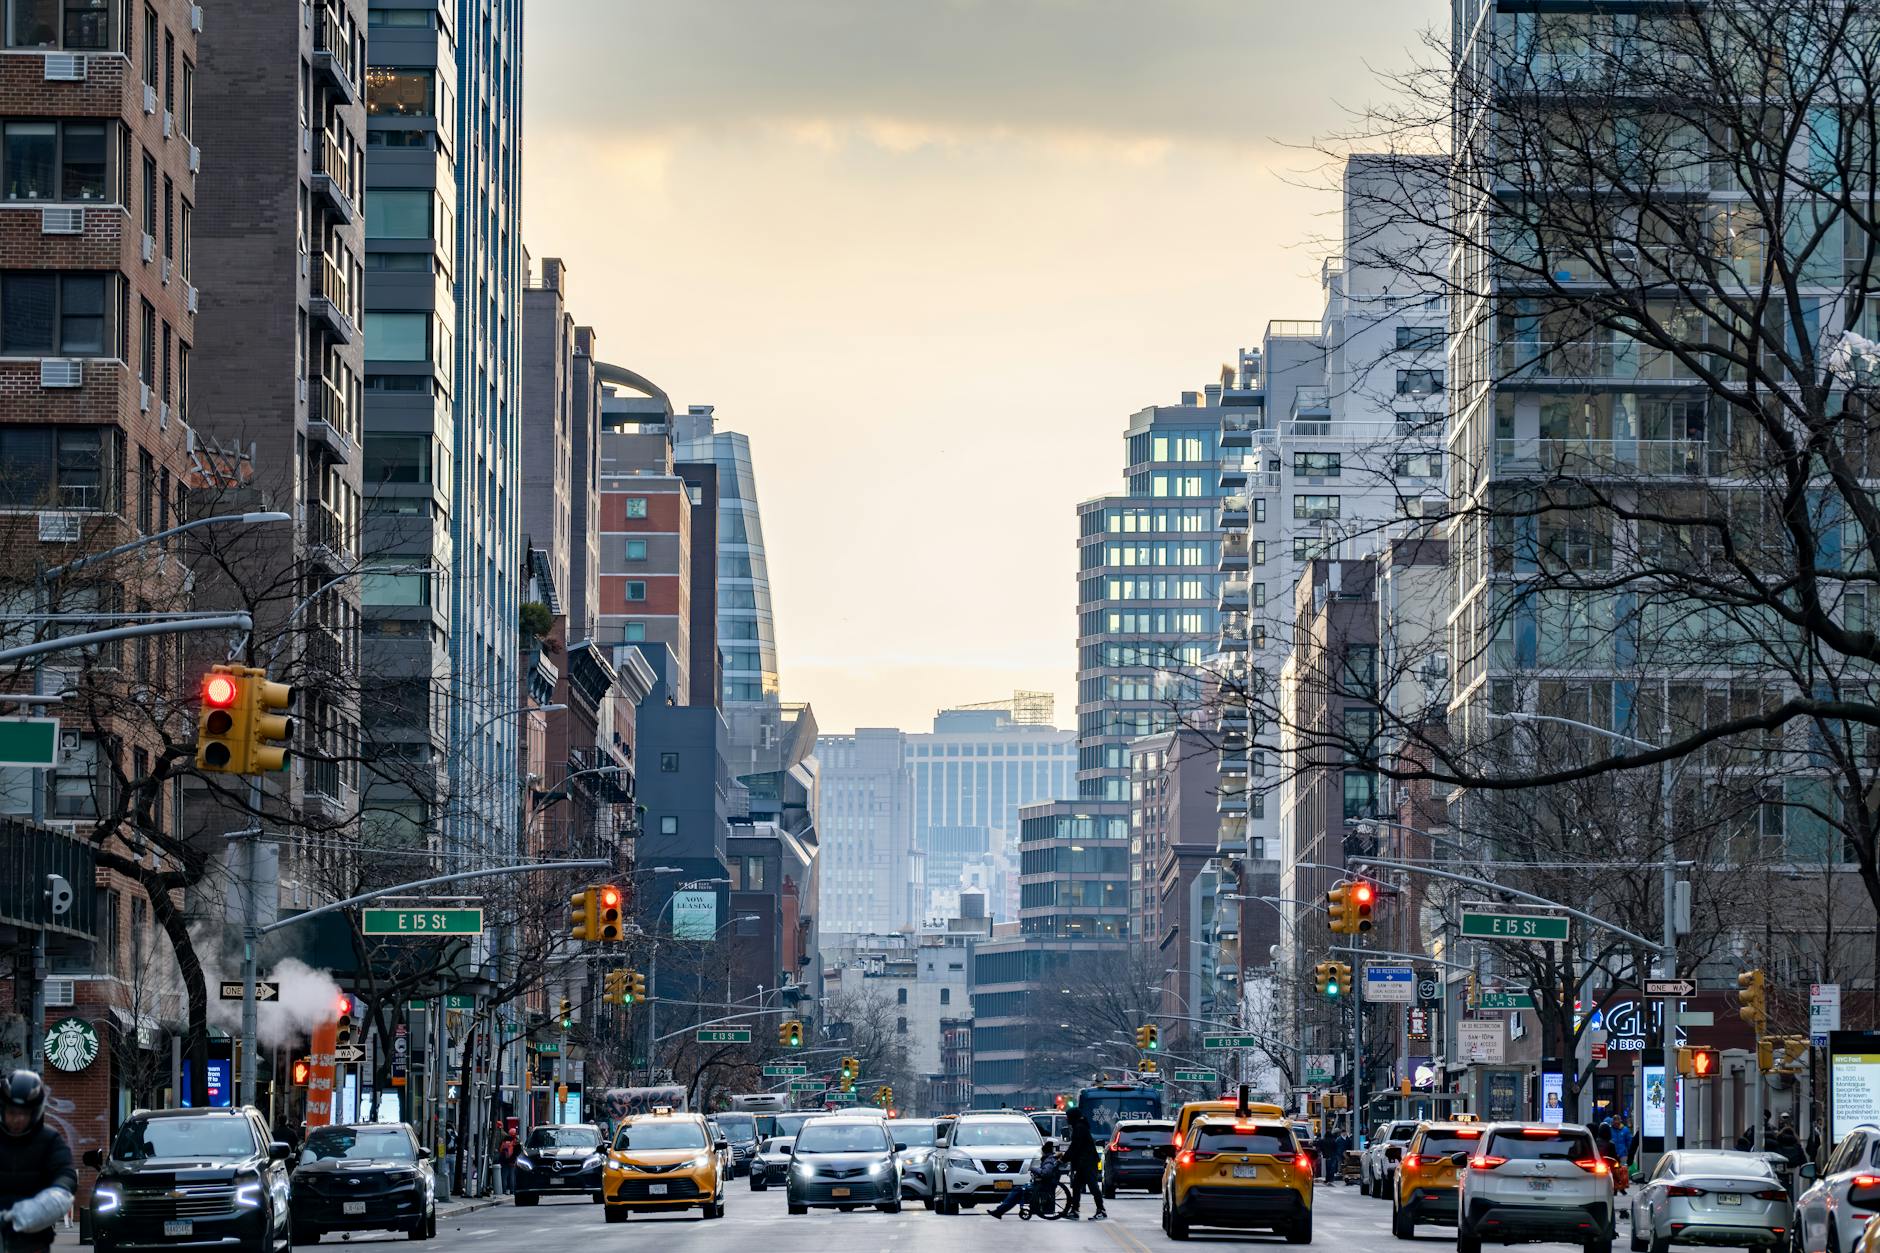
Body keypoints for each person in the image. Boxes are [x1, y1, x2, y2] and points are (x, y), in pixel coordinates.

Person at [0, 1070, 77, 1253]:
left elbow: (65, 1174)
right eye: (12, 1112)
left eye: (24, 1113)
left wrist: (57, 1192)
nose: (17, 1119)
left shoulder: (50, 1140)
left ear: (34, 1113)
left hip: (32, 1241)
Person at [988, 1139, 1062, 1219]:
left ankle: (999, 1211)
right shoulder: (1050, 1159)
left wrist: (1033, 1169)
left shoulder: (1049, 1160)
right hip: (1043, 1185)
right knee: (1018, 1191)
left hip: (1043, 1187)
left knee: (1017, 1191)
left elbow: (1045, 1173)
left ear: (1044, 1151)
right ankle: (999, 1211)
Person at [1063, 1108, 1106, 1219]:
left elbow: (1075, 1147)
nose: (1066, 1119)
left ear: (1073, 1117)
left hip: (1087, 1163)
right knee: (1077, 1187)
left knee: (1093, 1186)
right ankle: (1075, 1211)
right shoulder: (1079, 1126)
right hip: (1083, 1163)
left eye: (1068, 1117)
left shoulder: (1080, 1128)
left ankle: (1101, 1210)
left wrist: (1063, 1159)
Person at [496, 1125, 519, 1195]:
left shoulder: (504, 1140)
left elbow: (500, 1150)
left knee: (504, 1176)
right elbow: (518, 1152)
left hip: (504, 1161)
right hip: (512, 1161)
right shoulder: (516, 1141)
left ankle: (504, 1190)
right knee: (512, 1176)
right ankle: (512, 1190)